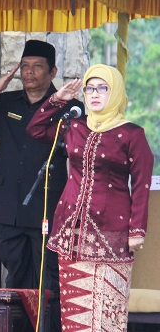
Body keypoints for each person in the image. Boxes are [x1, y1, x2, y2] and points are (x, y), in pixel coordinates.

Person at [27, 64, 154, 331]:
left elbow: (141, 184)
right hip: (71, 230)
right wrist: (56, 100)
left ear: (116, 91)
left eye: (102, 88)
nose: (94, 94)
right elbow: (36, 130)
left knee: (107, 308)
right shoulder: (75, 126)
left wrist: (137, 229)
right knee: (76, 309)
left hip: (112, 231)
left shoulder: (132, 134)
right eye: (90, 89)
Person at [0, 40, 84, 331]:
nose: (29, 72)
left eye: (37, 66)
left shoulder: (70, 107)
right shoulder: (6, 101)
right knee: (15, 281)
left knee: (48, 281)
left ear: (53, 71)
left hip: (48, 205)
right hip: (9, 205)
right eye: (25, 66)